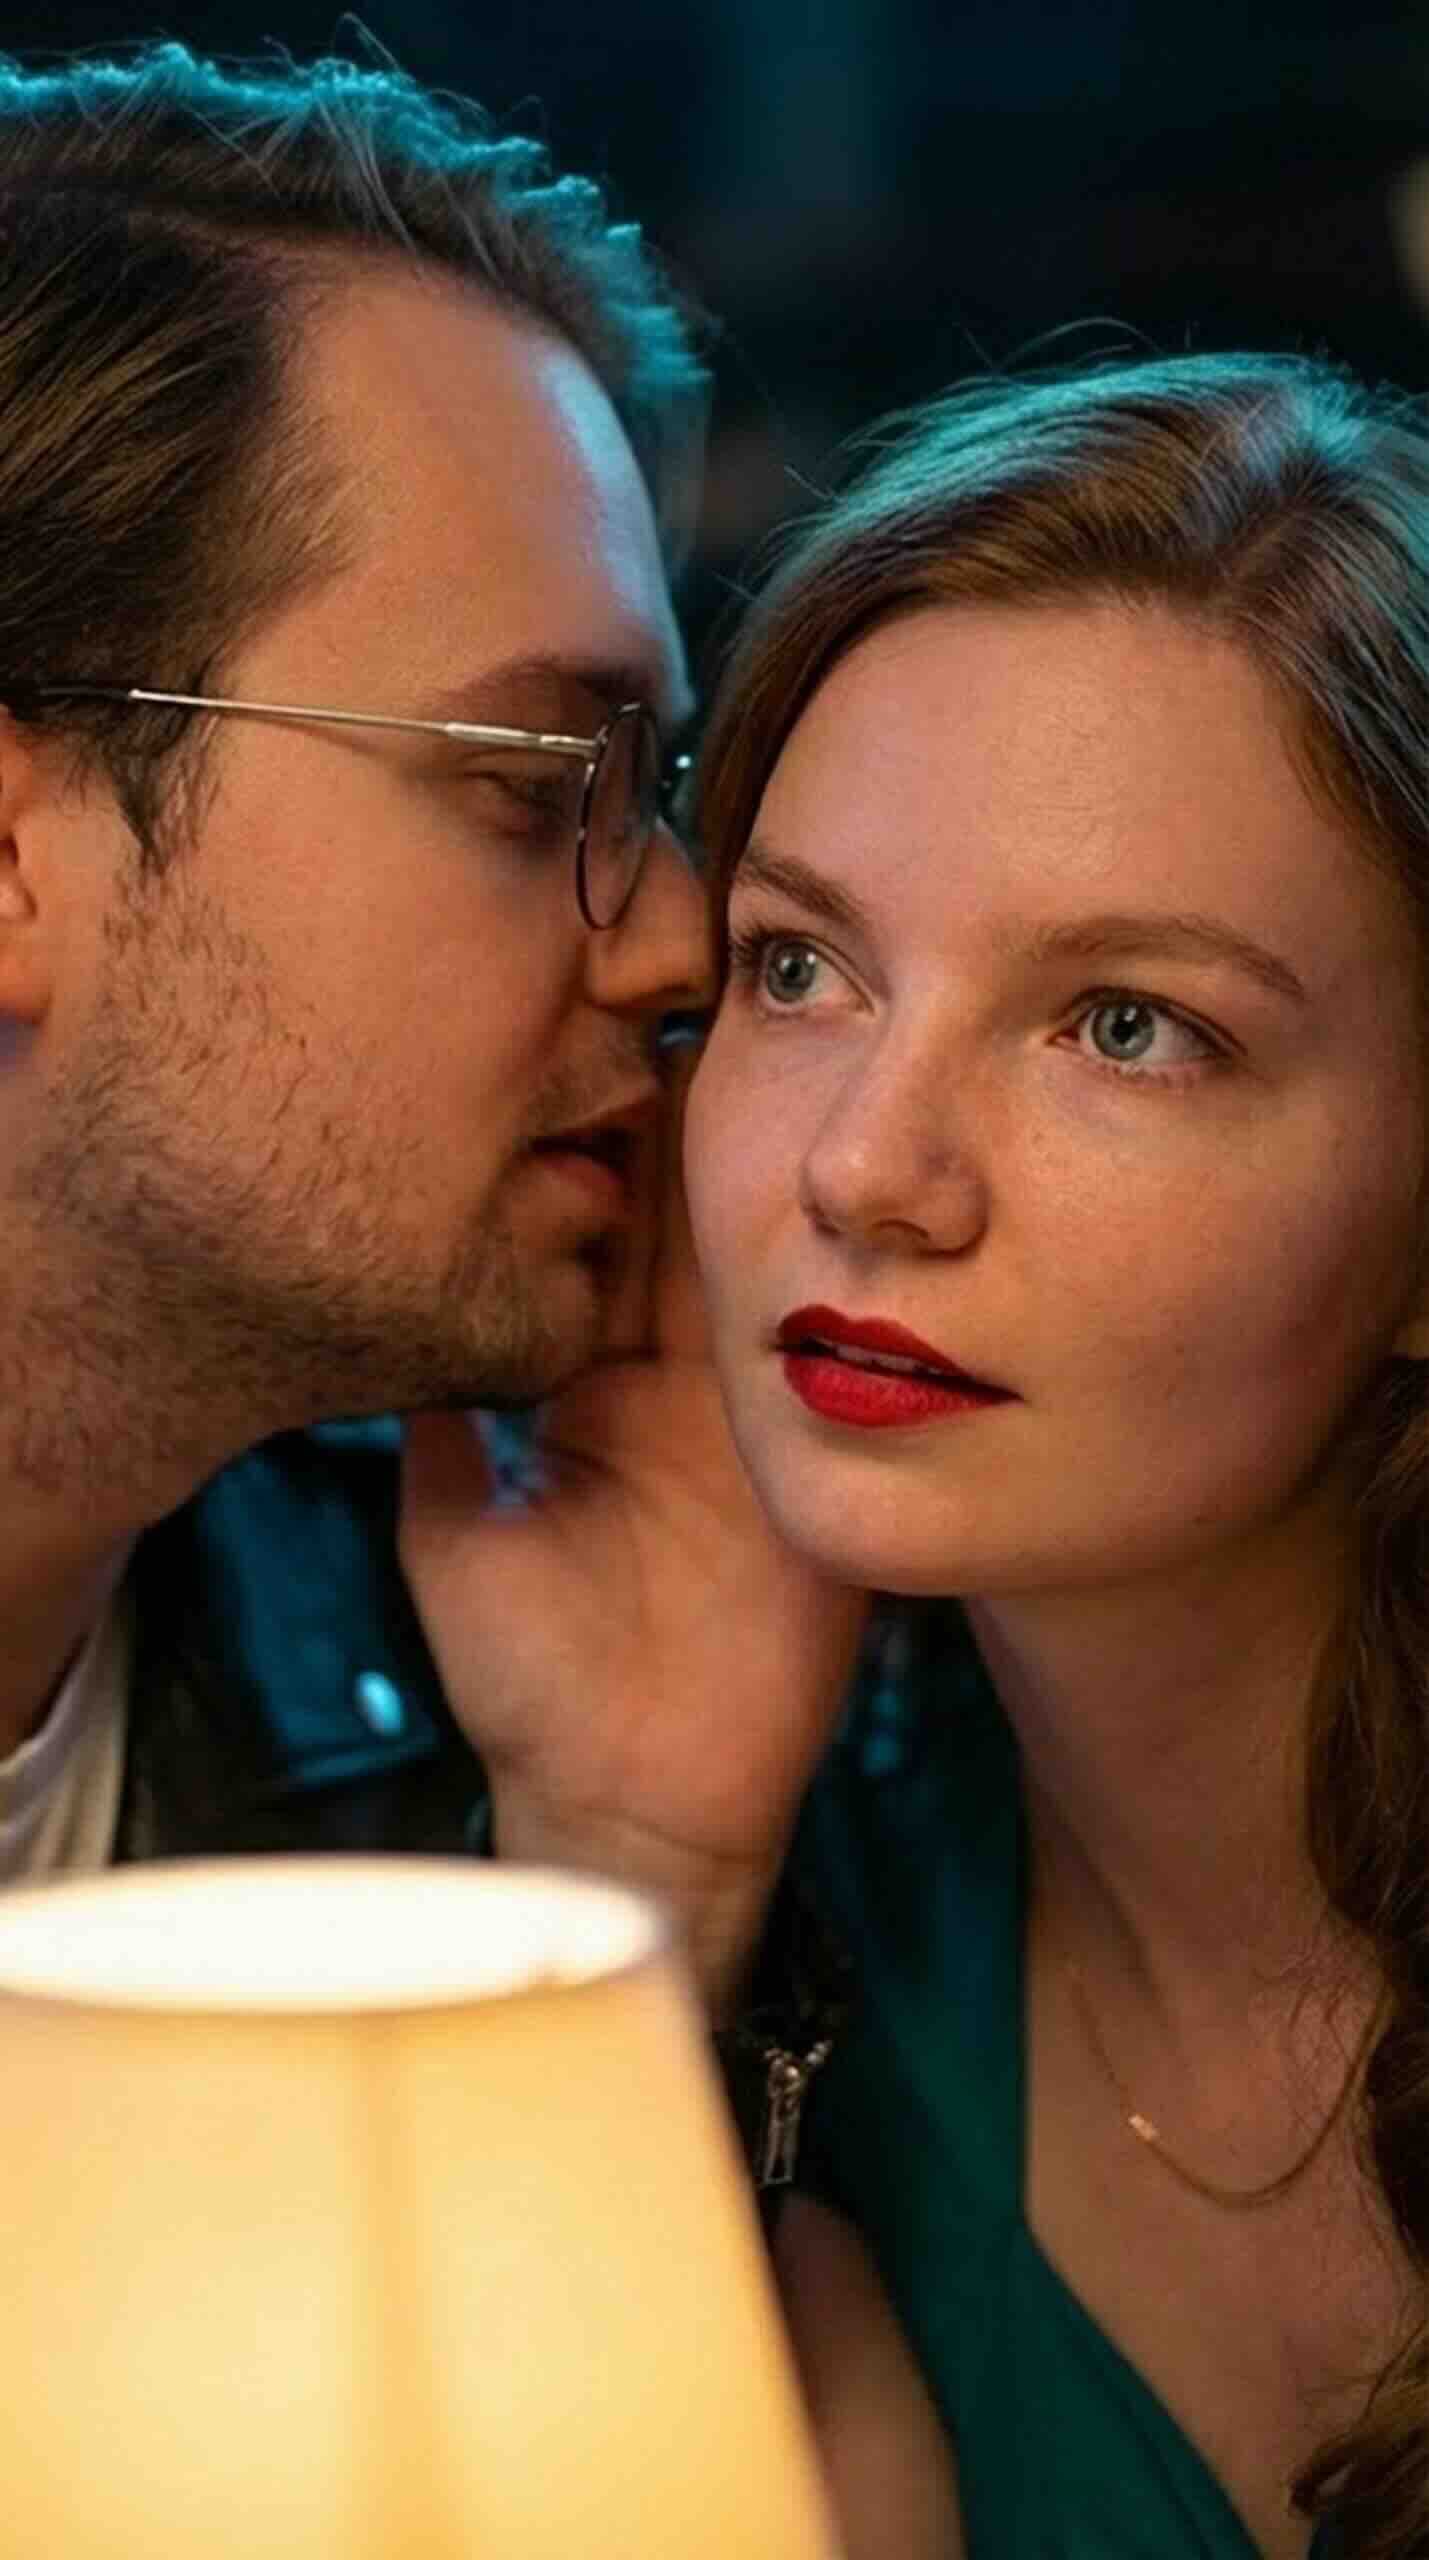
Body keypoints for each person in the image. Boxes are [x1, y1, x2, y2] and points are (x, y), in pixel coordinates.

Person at [0, 41, 865, 2022]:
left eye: (652, 786)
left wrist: (628, 1864)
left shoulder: (410, 1656)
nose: (676, 941)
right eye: (537, 778)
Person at [683, 350, 1429, 2558]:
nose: (869, 1170)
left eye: (1126, 1026)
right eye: (800, 964)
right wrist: (637, 1850)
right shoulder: (803, 1907)